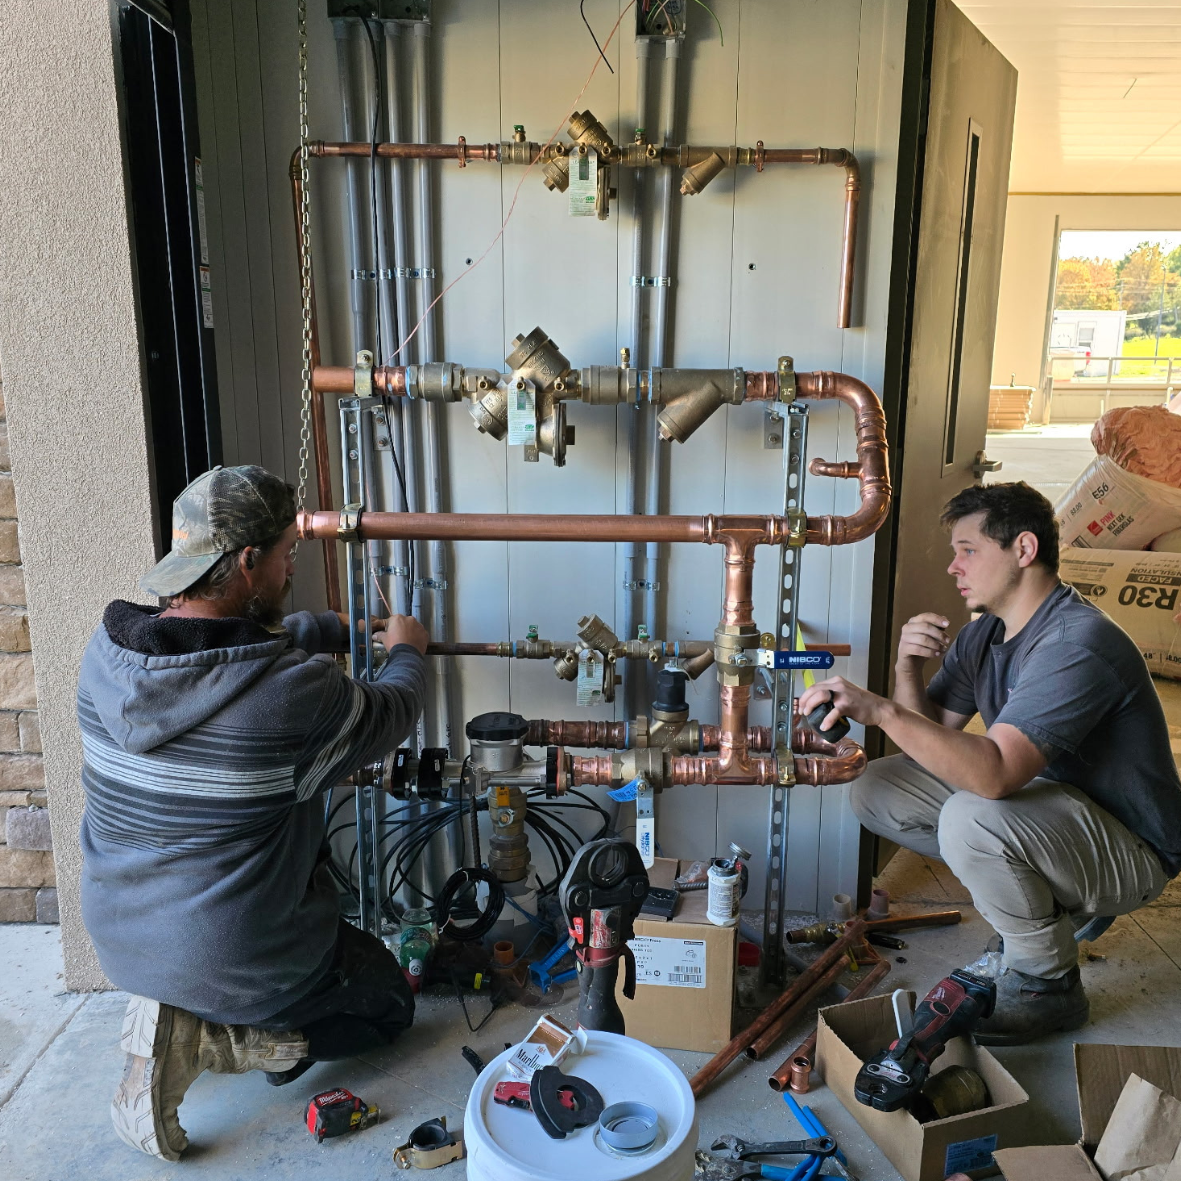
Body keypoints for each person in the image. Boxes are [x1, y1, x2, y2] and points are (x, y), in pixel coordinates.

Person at [77, 465, 428, 1160]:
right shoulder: (292, 696)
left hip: (119, 935)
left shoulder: (107, 655)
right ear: (246, 562)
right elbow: (392, 709)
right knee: (388, 1006)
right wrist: (407, 650)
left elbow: (221, 651)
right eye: (288, 553)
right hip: (239, 956)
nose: (293, 565)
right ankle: (223, 1037)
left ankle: (171, 1004)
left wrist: (322, 627)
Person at [799, 481, 1181, 1045]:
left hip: (1131, 849)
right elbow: (929, 744)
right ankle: (1046, 905)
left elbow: (993, 774)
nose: (954, 566)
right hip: (1052, 816)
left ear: (1023, 549)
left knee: (972, 814)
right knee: (879, 786)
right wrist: (906, 669)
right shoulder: (985, 635)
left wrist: (880, 709)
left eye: (968, 550)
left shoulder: (1077, 642)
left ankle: (1047, 983)